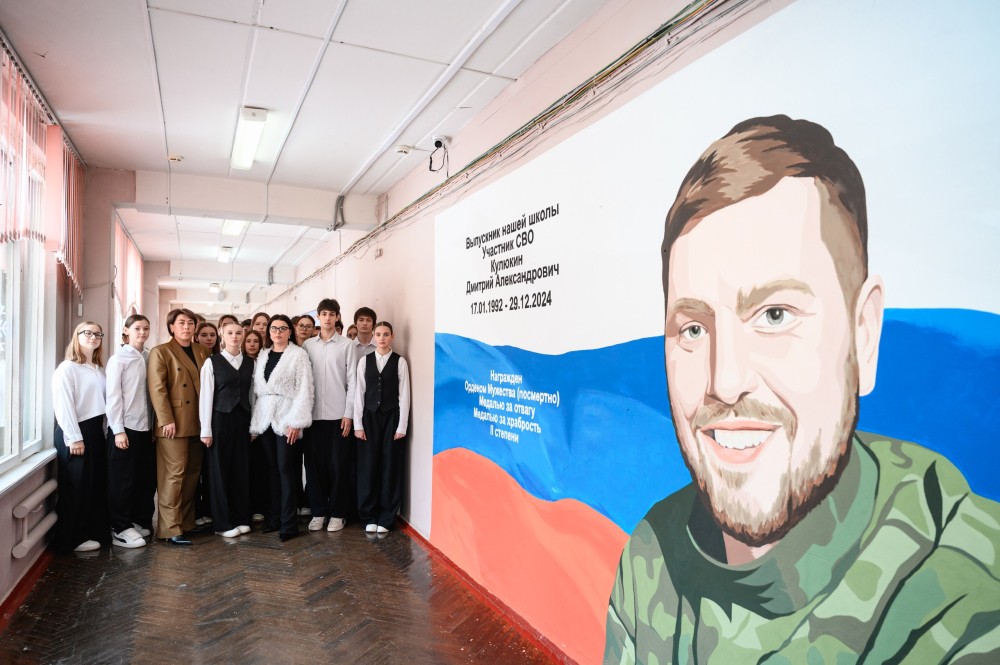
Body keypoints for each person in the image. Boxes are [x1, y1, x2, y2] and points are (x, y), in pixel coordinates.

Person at [604, 115, 1000, 663]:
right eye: (693, 328)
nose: (726, 381)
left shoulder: (964, 602)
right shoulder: (651, 557)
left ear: (863, 335)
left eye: (774, 314)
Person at [148, 308, 211, 546]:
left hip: (199, 421)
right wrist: (165, 420)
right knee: (173, 476)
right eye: (181, 323)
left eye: (190, 323)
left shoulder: (202, 350)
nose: (186, 327)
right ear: (171, 327)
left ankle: (185, 523)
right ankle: (169, 528)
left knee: (192, 475)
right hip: (173, 423)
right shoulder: (161, 351)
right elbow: (157, 389)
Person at [250, 314, 314, 541]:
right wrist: (254, 424)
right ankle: (274, 519)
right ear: (269, 332)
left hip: (287, 417)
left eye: (282, 328)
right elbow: (257, 390)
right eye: (274, 328)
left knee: (286, 470)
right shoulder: (263, 354)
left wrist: (297, 422)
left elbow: (305, 390)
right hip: (265, 418)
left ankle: (289, 524)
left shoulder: (298, 355)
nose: (277, 332)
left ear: (290, 331)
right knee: (272, 470)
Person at [52, 321, 110, 552]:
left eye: (98, 334)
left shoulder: (98, 369)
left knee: (93, 484)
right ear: (77, 336)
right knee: (76, 486)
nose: (93, 337)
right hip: (76, 431)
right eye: (87, 333)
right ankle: (71, 538)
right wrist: (74, 437)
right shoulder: (67, 368)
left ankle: (91, 531)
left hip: (95, 431)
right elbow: (63, 405)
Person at [302, 299, 357, 532]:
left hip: (338, 416)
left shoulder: (347, 345)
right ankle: (318, 512)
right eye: (323, 313)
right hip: (312, 416)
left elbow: (353, 381)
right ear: (318, 316)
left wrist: (349, 413)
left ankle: (337, 513)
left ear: (337, 317)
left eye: (331, 314)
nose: (327, 318)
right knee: (314, 467)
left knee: (338, 466)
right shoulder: (307, 345)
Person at [353, 321, 410, 534]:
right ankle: (368, 515)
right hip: (369, 418)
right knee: (368, 467)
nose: (382, 338)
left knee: (390, 466)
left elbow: (404, 395)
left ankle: (386, 517)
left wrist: (402, 426)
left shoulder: (400, 362)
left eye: (386, 334)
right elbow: (359, 393)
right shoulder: (364, 361)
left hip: (391, 418)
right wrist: (358, 424)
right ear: (374, 336)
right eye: (378, 334)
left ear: (392, 336)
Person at [105, 314, 154, 548]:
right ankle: (120, 528)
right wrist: (118, 430)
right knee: (121, 480)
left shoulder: (149, 356)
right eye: (137, 328)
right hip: (125, 428)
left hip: (146, 428)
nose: (142, 332)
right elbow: (113, 396)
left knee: (143, 478)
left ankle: (138, 520)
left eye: (146, 328)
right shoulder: (119, 359)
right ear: (126, 331)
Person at [199, 321, 252, 538]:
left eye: (238, 332)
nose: (235, 336)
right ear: (222, 335)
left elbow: (252, 395)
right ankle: (222, 523)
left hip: (243, 420)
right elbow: (206, 397)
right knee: (219, 471)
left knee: (241, 469)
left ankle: (240, 517)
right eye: (230, 333)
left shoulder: (250, 362)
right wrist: (206, 429)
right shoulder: (212, 362)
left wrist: (254, 425)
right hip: (219, 419)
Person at [241, 329, 268, 521]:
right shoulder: (240, 362)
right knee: (245, 466)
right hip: (243, 419)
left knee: (261, 466)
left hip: (263, 419)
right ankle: (246, 507)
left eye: (255, 341)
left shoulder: (264, 362)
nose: (252, 344)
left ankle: (261, 506)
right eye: (248, 341)